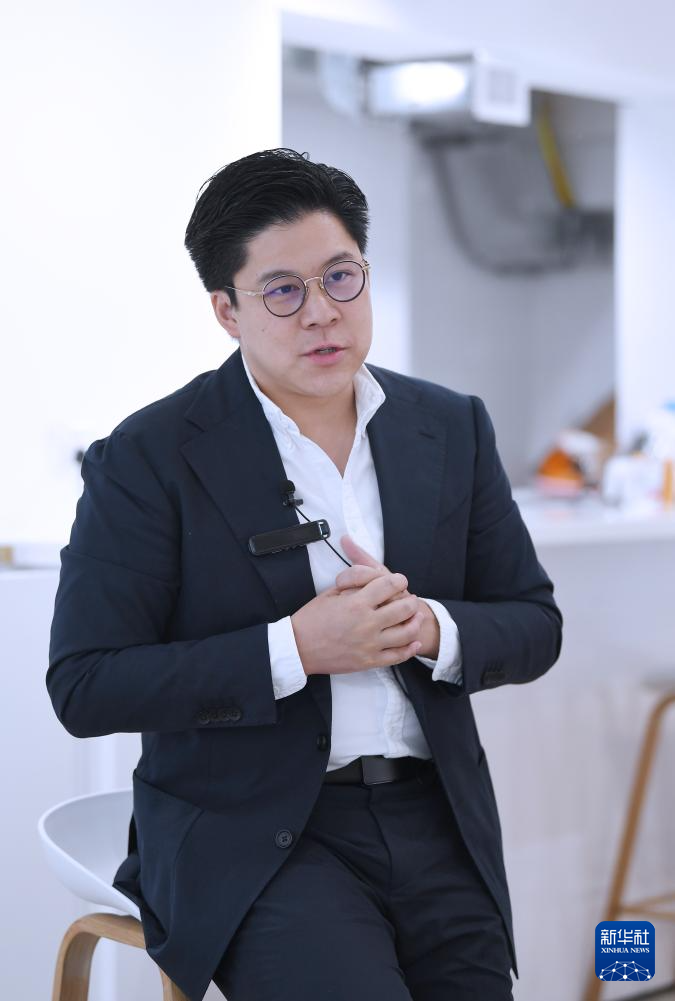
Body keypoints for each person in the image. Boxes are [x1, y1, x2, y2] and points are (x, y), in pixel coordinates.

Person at [47, 147, 563, 1001]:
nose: (322, 312)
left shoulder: (449, 426)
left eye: (340, 277)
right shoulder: (148, 455)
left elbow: (533, 624)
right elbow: (86, 684)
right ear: (227, 310)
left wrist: (428, 627)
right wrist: (295, 647)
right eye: (283, 290)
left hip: (435, 816)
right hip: (253, 836)